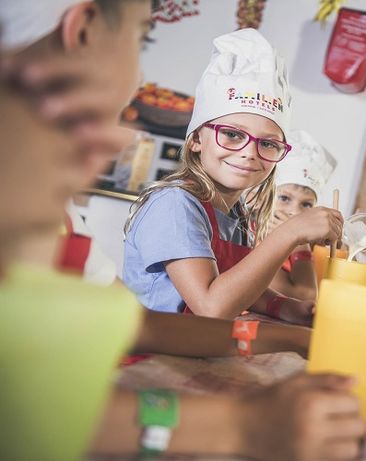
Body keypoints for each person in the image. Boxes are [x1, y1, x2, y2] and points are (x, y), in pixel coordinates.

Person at [0, 3, 366, 460]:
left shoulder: (47, 217)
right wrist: (240, 425)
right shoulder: (176, 203)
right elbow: (25, 415)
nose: (136, 82)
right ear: (82, 30)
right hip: (151, 374)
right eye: (143, 36)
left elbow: (142, 327)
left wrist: (291, 325)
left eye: (267, 144)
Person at [123, 29, 342, 323]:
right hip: (146, 360)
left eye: (267, 143)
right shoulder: (175, 204)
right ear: (196, 140)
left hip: (191, 353)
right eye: (231, 134)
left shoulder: (237, 214)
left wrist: (282, 306)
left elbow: (233, 281)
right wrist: (289, 234)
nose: (249, 152)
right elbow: (211, 306)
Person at [267, 129, 337, 300]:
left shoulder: (310, 243)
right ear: (263, 196)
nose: (295, 212)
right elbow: (306, 295)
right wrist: (298, 242)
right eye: (284, 198)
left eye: (306, 204)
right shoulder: (250, 238)